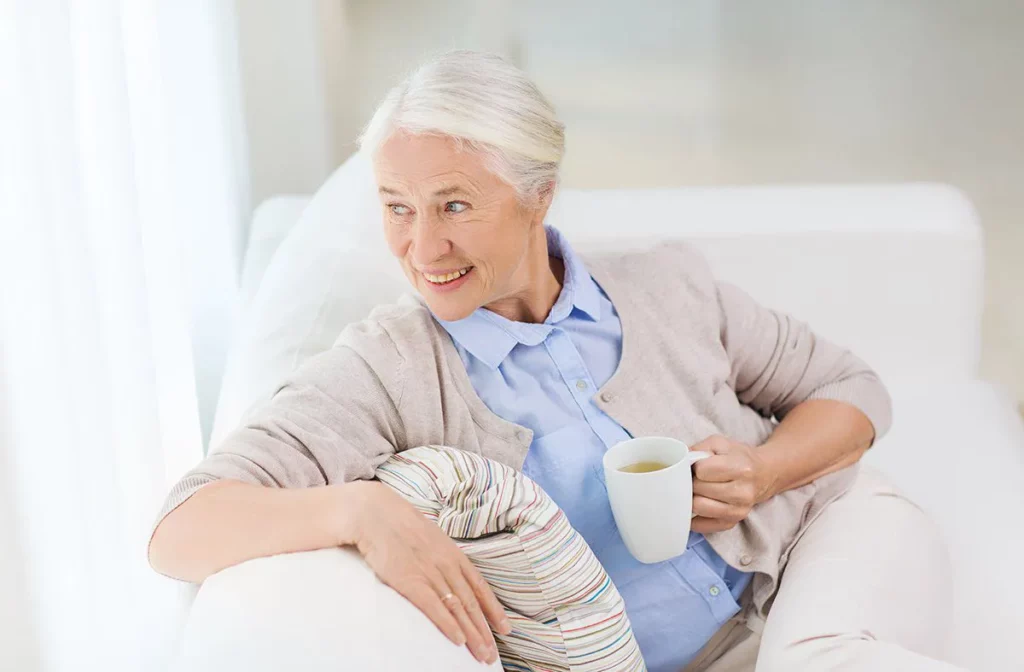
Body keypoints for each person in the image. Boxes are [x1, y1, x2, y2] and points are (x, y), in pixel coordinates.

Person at [149, 51, 962, 672]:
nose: (421, 247)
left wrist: (766, 469)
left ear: (538, 194)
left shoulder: (666, 286)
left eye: (454, 205)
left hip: (816, 551)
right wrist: (359, 513)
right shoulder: (386, 367)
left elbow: (852, 392)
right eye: (397, 209)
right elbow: (181, 527)